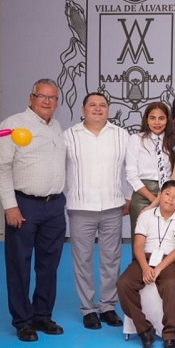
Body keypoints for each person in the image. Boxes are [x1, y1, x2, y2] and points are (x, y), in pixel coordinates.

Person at [0, 78, 68, 342]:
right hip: (23, 205)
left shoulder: (56, 126)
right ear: (31, 98)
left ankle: (42, 315)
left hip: (54, 206)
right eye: (42, 96)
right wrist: (9, 205)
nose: (47, 101)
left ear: (57, 102)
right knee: (19, 264)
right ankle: (22, 320)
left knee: (49, 265)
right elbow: (0, 168)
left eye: (52, 98)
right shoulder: (13, 125)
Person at [63, 92, 129, 330]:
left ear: (108, 109)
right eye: (92, 105)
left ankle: (108, 306)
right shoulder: (69, 136)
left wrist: (129, 196)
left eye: (103, 105)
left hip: (112, 206)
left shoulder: (121, 135)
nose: (98, 109)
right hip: (81, 207)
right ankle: (88, 309)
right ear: (83, 110)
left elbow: (131, 168)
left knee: (112, 259)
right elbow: (59, 169)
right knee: (82, 259)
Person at [116, 180, 175, 348]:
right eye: (167, 194)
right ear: (159, 195)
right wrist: (145, 267)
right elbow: (138, 246)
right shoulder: (146, 216)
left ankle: (170, 335)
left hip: (171, 260)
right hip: (145, 258)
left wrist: (158, 268)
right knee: (123, 284)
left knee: (171, 285)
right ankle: (143, 329)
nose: (170, 199)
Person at [126, 102, 175, 234]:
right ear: (146, 120)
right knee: (141, 238)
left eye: (161, 118)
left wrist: (165, 197)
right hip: (142, 196)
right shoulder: (136, 139)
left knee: (165, 238)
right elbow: (131, 175)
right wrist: (154, 200)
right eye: (152, 118)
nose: (157, 122)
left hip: (168, 195)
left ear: (167, 120)